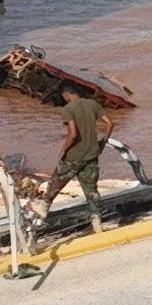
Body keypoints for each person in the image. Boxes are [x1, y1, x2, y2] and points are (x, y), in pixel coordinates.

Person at [44, 82, 108, 235]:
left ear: (67, 95)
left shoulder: (68, 109)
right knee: (91, 191)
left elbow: (72, 134)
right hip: (92, 155)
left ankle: (32, 229)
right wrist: (103, 142)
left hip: (74, 157)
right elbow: (110, 123)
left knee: (53, 189)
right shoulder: (92, 104)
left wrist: (63, 150)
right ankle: (97, 225)